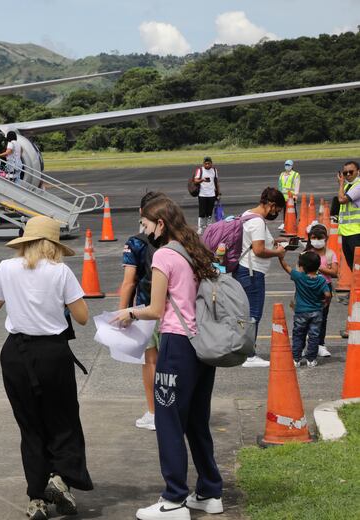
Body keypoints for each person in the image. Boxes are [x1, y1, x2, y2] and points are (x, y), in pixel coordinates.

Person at [114, 197, 223, 520]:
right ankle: (208, 491)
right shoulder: (195, 249)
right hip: (202, 344)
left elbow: (156, 309)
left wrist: (128, 312)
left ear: (160, 224)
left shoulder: (164, 254)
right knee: (196, 421)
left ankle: (173, 499)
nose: (143, 229)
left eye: (146, 223)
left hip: (177, 343)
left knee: (169, 420)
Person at [0, 215, 93, 520]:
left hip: (16, 354)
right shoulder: (61, 271)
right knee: (63, 420)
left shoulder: (7, 268)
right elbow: (82, 316)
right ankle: (59, 478)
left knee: (30, 427)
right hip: (52, 354)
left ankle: (36, 499)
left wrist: (18, 297)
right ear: (53, 244)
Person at [118, 191, 167, 431]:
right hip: (175, 308)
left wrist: (122, 312)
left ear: (141, 213)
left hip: (147, 308)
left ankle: (154, 411)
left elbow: (129, 282)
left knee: (150, 361)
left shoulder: (135, 242)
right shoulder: (176, 240)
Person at [234, 187, 287, 368]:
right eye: (277, 210)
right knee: (253, 313)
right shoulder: (257, 222)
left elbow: (254, 243)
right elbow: (258, 250)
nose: (276, 214)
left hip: (244, 270)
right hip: (252, 272)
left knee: (245, 312)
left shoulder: (247, 214)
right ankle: (250, 355)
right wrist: (277, 253)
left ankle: (243, 350)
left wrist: (276, 242)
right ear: (271, 205)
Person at [278, 251, 331, 368]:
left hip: (301, 312)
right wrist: (325, 302)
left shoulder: (299, 277)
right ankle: (311, 359)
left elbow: (287, 268)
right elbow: (327, 294)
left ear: (302, 267)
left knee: (298, 334)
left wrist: (281, 258)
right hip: (317, 312)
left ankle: (296, 358)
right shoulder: (321, 280)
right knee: (314, 336)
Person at [305, 224, 337, 357]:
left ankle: (320, 344)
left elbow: (334, 272)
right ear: (310, 239)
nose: (317, 240)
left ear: (326, 238)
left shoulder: (330, 254)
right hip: (309, 288)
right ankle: (306, 344)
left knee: (322, 317)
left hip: (325, 288)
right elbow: (300, 272)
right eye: (314, 238)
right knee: (307, 317)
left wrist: (318, 267)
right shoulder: (306, 254)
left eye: (320, 238)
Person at [336, 160, 360, 267]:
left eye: (351, 172)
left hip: (356, 232)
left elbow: (341, 199)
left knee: (357, 265)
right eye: (345, 173)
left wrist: (341, 183)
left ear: (358, 172)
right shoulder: (347, 187)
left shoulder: (358, 186)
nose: (348, 175)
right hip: (346, 232)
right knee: (352, 266)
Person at [193, 157, 220, 235]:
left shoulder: (214, 170)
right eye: (206, 163)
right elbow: (195, 181)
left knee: (209, 212)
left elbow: (217, 182)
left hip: (212, 194)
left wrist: (219, 193)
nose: (207, 165)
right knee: (202, 212)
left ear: (211, 163)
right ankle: (200, 228)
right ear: (203, 163)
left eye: (209, 163)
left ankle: (209, 227)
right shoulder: (200, 170)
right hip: (202, 194)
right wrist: (202, 180)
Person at [277, 159, 300, 230]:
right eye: (286, 165)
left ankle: (293, 223)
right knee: (284, 210)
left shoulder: (295, 174)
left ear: (292, 166)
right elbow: (280, 185)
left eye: (288, 165)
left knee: (292, 210)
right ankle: (284, 223)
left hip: (291, 196)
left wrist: (296, 195)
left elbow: (297, 185)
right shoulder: (282, 174)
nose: (287, 166)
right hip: (283, 196)